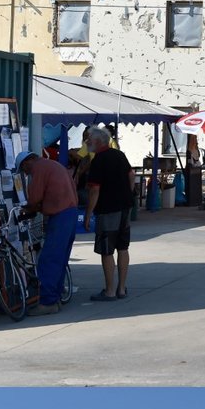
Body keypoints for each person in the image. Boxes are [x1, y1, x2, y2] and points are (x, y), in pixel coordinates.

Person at [16, 149, 78, 315]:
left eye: (24, 169)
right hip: (70, 213)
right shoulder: (53, 164)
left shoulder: (39, 169)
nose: (26, 173)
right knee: (60, 259)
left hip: (60, 215)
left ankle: (48, 302)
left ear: (27, 162)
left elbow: (35, 197)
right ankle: (55, 298)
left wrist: (28, 208)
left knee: (48, 260)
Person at [84, 125, 135, 301]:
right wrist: (128, 194)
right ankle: (121, 288)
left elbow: (94, 190)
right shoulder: (119, 155)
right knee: (122, 247)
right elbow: (131, 175)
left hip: (108, 209)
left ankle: (110, 290)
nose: (86, 142)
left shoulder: (98, 160)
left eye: (88, 139)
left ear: (97, 142)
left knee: (107, 250)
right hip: (125, 207)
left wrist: (89, 213)